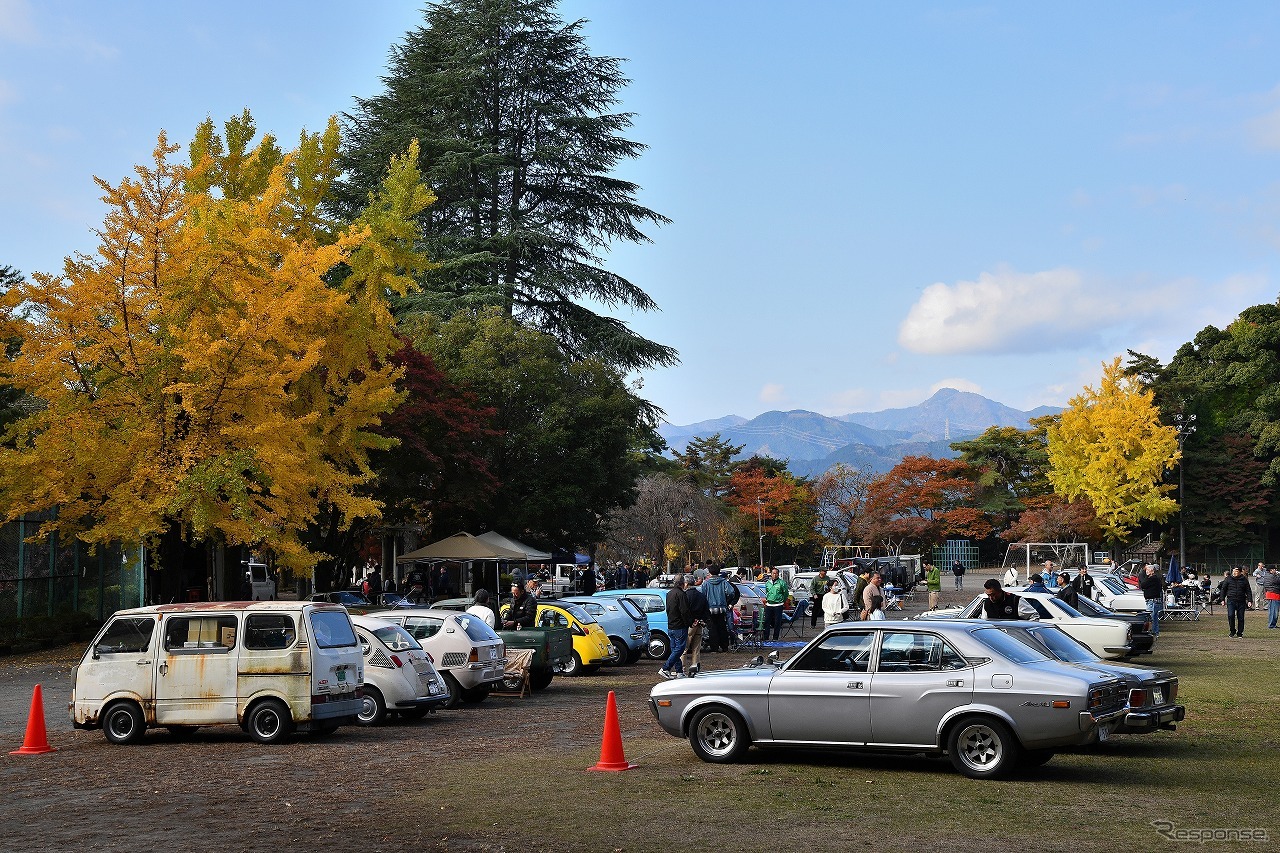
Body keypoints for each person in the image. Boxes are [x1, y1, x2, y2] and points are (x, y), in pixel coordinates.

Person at [660, 575, 692, 679]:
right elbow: (685, 611)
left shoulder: (669, 594)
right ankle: (665, 668)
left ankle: (679, 672)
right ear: (683, 583)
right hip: (679, 625)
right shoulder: (681, 594)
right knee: (679, 648)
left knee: (675, 649)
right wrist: (689, 622)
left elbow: (668, 609)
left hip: (671, 624)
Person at [701, 565, 737, 652]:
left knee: (712, 629)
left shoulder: (706, 583)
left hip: (710, 608)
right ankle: (724, 646)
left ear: (710, 572)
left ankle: (714, 648)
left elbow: (703, 594)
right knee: (722, 627)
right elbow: (731, 592)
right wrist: (726, 598)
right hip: (722, 608)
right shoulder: (724, 582)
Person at [682, 573, 708, 676]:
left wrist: (691, 621)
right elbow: (706, 610)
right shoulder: (701, 595)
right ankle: (695, 668)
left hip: (690, 624)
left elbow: (685, 611)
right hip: (700, 624)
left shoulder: (685, 596)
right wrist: (701, 620)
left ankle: (682, 669)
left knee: (684, 648)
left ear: (686, 583)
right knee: (696, 649)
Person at [1223, 565, 1254, 638]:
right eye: (1233, 571)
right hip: (1231, 600)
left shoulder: (1244, 579)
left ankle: (1240, 632)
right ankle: (1232, 631)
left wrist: (1249, 600)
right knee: (1231, 616)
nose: (1234, 572)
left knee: (1240, 617)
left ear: (1240, 572)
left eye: (1236, 571)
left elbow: (1248, 590)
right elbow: (1223, 589)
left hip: (1241, 600)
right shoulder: (1228, 579)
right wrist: (1222, 599)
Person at [762, 567, 789, 642]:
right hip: (769, 604)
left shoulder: (782, 583)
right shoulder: (768, 583)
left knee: (777, 622)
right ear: (771, 574)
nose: (775, 575)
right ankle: (766, 637)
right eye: (773, 573)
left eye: (776, 573)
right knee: (767, 621)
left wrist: (781, 601)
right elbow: (767, 592)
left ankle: (775, 637)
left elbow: (785, 593)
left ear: (778, 574)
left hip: (778, 605)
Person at [1138, 563, 1165, 638]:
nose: (1146, 572)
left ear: (1151, 571)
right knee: (1154, 618)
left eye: (1147, 570)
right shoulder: (1155, 578)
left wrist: (1147, 576)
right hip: (1153, 600)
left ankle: (1152, 632)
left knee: (1150, 617)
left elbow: (1143, 584)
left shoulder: (1152, 578)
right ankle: (1155, 632)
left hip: (1152, 600)